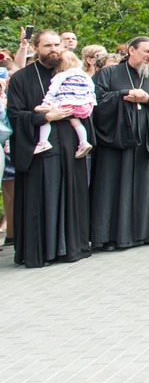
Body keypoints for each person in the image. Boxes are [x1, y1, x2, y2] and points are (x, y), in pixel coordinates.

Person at [5, 30, 91, 267]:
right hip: (40, 150)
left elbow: (87, 98)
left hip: (69, 146)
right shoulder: (22, 78)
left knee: (71, 196)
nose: (53, 49)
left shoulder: (69, 72)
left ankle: (70, 247)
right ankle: (42, 251)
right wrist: (45, 117)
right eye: (47, 45)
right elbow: (14, 114)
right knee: (42, 199)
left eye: (57, 45)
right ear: (36, 47)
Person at [91, 35, 149, 251]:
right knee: (113, 188)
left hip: (146, 143)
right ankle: (111, 237)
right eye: (147, 51)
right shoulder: (108, 73)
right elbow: (95, 100)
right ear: (131, 50)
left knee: (147, 187)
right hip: (117, 144)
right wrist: (124, 94)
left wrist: (148, 99)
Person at [33, 50, 93, 158]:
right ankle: (84, 142)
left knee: (45, 117)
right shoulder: (85, 75)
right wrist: (91, 104)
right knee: (76, 122)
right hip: (82, 105)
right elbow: (92, 89)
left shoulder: (62, 75)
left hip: (65, 102)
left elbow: (53, 90)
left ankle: (43, 142)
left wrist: (45, 103)